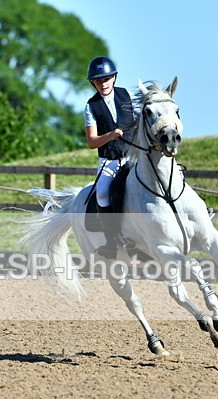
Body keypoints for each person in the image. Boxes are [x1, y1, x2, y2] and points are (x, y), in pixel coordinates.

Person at [84, 56, 135, 259]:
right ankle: (111, 241)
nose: (103, 84)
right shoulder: (91, 106)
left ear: (114, 78)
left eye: (106, 79)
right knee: (103, 192)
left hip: (133, 155)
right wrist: (110, 136)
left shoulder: (127, 95)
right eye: (98, 81)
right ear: (93, 83)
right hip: (110, 160)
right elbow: (91, 141)